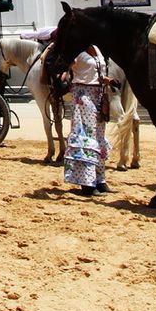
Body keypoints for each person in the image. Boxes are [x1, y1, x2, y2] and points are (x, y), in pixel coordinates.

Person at [62, 42, 110, 196]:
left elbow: (96, 73)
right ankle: (87, 182)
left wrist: (108, 80)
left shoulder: (97, 48)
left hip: (99, 94)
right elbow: (64, 65)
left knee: (99, 136)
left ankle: (99, 179)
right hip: (83, 94)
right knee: (86, 135)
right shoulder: (76, 49)